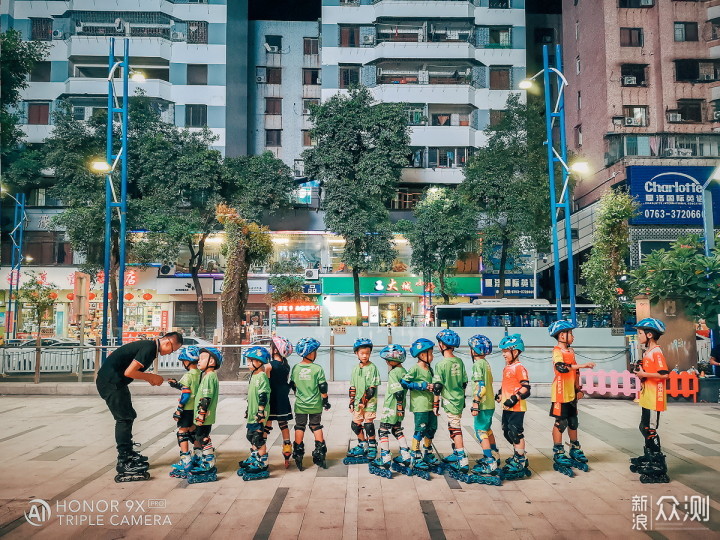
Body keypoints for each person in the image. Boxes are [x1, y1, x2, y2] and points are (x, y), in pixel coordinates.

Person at [96, 332, 183, 482]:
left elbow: (130, 371)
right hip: (111, 384)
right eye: (173, 350)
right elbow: (129, 372)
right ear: (168, 343)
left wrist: (149, 377)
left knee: (129, 415)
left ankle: (128, 453)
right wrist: (151, 377)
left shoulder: (150, 348)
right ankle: (124, 461)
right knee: (124, 418)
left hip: (116, 383)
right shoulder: (150, 347)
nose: (171, 353)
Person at [547, 320, 596, 477]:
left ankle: (575, 448)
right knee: (560, 423)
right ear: (562, 335)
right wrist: (583, 365)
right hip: (560, 392)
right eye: (570, 334)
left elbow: (575, 373)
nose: (573, 337)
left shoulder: (571, 351)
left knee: (573, 422)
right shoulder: (556, 351)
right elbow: (560, 367)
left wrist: (578, 389)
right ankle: (558, 450)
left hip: (570, 393)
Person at [630, 318, 670, 484]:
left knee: (650, 429)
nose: (638, 336)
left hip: (655, 397)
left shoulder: (656, 352)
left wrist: (644, 374)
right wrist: (642, 370)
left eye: (640, 333)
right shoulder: (648, 352)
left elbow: (664, 374)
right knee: (644, 427)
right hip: (647, 395)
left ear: (650, 334)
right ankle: (649, 457)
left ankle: (658, 465)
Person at [399, 338, 438, 479]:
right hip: (420, 405)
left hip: (429, 404)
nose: (432, 356)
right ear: (422, 355)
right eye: (430, 354)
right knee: (420, 430)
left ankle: (427, 452)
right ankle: (415, 454)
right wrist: (420, 386)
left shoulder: (430, 369)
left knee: (431, 429)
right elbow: (404, 382)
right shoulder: (415, 368)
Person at [369, 344, 410, 478]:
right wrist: (401, 408)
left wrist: (397, 406)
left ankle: (385, 458)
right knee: (397, 430)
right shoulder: (404, 371)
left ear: (395, 360)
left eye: (388, 359)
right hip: (400, 408)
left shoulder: (393, 373)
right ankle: (406, 455)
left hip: (391, 408)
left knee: (383, 431)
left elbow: (397, 392)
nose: (386, 362)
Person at [290, 337, 331, 470]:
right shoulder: (317, 369)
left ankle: (298, 453)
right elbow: (323, 388)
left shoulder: (296, 368)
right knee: (316, 426)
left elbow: (293, 385)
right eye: (315, 351)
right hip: (315, 404)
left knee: (299, 427)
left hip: (300, 405)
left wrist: (299, 392)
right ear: (310, 353)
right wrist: (325, 401)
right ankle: (320, 453)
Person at [432, 328, 469, 473]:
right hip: (459, 400)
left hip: (449, 401)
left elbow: (437, 387)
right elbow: (464, 382)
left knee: (455, 429)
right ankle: (456, 454)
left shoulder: (441, 365)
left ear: (442, 345)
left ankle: (462, 459)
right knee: (452, 426)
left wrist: (435, 405)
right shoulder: (459, 361)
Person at [467, 334, 501, 485]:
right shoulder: (486, 363)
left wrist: (475, 403)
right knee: (487, 430)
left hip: (483, 404)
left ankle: (489, 461)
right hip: (490, 404)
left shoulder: (477, 365)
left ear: (474, 350)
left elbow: (481, 387)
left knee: (480, 432)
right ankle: (494, 454)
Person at [497, 334, 532, 480]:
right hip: (506, 407)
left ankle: (520, 459)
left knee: (515, 432)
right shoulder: (507, 368)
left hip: (516, 407)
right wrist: (500, 394)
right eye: (503, 351)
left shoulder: (519, 367)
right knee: (506, 432)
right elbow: (507, 384)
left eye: (506, 351)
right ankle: (518, 453)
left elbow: (526, 388)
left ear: (515, 351)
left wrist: (514, 398)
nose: (503, 354)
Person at [188, 347, 222, 483]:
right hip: (203, 416)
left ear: (212, 361)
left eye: (202, 358)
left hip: (204, 417)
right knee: (199, 436)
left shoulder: (210, 377)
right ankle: (203, 458)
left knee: (203, 437)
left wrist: (201, 415)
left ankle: (209, 462)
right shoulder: (208, 375)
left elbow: (206, 398)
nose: (198, 361)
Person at [345, 338, 381, 465]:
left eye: (367, 353)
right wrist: (351, 401)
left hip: (369, 402)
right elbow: (353, 387)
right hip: (357, 403)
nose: (365, 355)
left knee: (368, 423)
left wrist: (363, 401)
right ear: (357, 354)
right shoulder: (355, 369)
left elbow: (372, 388)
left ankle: (372, 445)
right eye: (362, 353)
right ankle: (363, 444)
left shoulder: (373, 368)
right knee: (355, 424)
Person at [167, 346, 202, 479]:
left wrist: (179, 409)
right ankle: (198, 456)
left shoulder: (188, 375)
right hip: (196, 409)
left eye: (183, 361)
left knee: (182, 432)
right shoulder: (200, 374)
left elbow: (186, 392)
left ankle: (185, 459)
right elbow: (186, 387)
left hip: (187, 409)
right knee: (195, 431)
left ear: (187, 361)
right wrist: (176, 384)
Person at [239, 346, 272, 481]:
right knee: (250, 435)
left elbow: (263, 395)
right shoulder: (253, 375)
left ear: (259, 362)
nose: (247, 364)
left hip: (260, 412)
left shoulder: (262, 376)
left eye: (250, 361)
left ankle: (262, 461)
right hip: (253, 411)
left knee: (258, 438)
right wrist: (249, 409)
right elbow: (251, 395)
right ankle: (254, 457)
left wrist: (260, 411)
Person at [267, 336, 295, 468]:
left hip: (272, 399)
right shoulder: (286, 365)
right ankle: (287, 450)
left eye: (271, 346)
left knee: (266, 426)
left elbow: (265, 384)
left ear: (275, 350)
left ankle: (260, 452)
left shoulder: (269, 366)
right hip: (283, 398)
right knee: (283, 425)